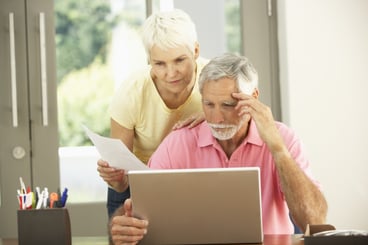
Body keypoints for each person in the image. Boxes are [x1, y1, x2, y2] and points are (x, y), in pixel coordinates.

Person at [109, 53, 328, 244]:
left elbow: (315, 220)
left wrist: (278, 149)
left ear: (253, 98)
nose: (217, 118)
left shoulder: (284, 139)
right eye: (209, 104)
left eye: (228, 105)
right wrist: (124, 225)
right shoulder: (179, 142)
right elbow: (139, 211)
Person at [97, 9, 208, 217]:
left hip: (193, 178)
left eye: (179, 60)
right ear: (149, 60)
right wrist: (115, 177)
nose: (171, 73)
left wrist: (213, 115)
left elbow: (249, 121)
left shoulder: (214, 83)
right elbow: (121, 185)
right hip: (139, 180)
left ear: (195, 51)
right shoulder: (131, 93)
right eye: (160, 64)